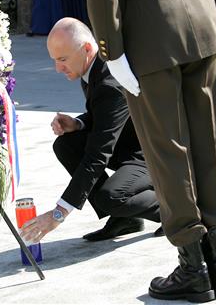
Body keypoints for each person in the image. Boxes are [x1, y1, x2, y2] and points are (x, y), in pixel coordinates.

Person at [84, 0, 216, 302]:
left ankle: (193, 267)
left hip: (148, 28)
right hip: (200, 12)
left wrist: (109, 49)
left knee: (168, 151)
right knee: (209, 144)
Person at [20, 18, 162, 243]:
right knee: (67, 144)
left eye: (63, 59)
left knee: (111, 197)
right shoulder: (92, 67)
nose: (58, 68)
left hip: (152, 153)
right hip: (128, 143)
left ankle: (176, 211)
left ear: (86, 48)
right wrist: (78, 124)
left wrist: (58, 214)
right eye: (55, 60)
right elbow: (109, 116)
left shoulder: (109, 80)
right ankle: (125, 219)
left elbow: (98, 154)